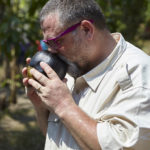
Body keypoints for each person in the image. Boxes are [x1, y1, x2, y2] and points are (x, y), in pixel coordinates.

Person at [22, 0, 150, 149]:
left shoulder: (138, 74)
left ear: (86, 29)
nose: (51, 52)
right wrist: (41, 107)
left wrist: (63, 105)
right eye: (47, 44)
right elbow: (57, 137)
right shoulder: (71, 67)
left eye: (56, 42)